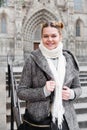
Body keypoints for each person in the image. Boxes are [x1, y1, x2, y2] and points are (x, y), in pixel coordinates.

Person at [17, 21, 82, 130]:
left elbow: (78, 88)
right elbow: (21, 92)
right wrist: (43, 91)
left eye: (53, 36)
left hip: (65, 120)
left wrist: (72, 93)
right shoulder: (32, 60)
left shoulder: (69, 59)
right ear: (41, 37)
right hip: (40, 122)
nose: (50, 40)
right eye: (46, 36)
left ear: (60, 37)